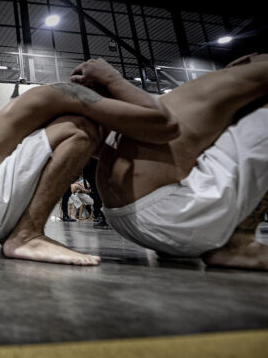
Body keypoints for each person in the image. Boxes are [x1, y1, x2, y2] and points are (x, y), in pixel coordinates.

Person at [0, 58, 179, 266]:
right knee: (80, 129)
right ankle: (26, 236)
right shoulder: (62, 94)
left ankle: (25, 233)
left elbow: (123, 153)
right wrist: (113, 78)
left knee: (99, 139)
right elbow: (166, 123)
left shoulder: (53, 117)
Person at [96, 53, 268, 270]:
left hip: (122, 216)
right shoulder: (247, 79)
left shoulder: (193, 95)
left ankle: (224, 237)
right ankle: (238, 243)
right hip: (175, 216)